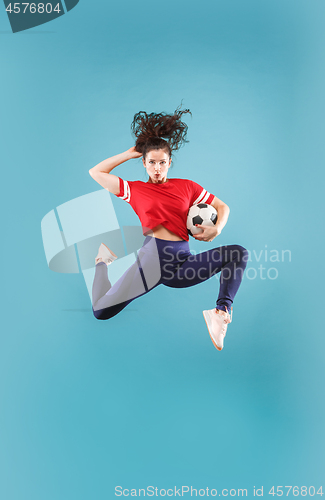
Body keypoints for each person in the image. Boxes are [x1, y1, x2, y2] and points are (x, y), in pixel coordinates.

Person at [88, 106, 248, 351]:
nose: (157, 169)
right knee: (100, 311)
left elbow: (222, 206)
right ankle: (102, 261)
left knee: (238, 254)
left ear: (170, 162)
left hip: (182, 263)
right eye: (151, 162)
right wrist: (128, 153)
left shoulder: (187, 187)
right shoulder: (135, 190)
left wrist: (217, 229)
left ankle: (221, 312)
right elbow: (96, 172)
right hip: (151, 261)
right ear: (144, 163)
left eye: (162, 163)